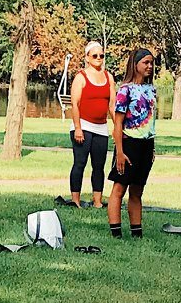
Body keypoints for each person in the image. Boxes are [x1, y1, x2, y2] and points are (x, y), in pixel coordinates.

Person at [107, 48, 159, 238]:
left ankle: (137, 232)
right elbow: (118, 123)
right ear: (135, 65)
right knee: (119, 188)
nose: (150, 66)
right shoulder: (125, 90)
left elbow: (151, 121)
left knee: (137, 190)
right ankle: (116, 233)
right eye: (145, 62)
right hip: (129, 144)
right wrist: (120, 152)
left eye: (151, 63)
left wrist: (152, 147)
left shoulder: (151, 90)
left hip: (146, 145)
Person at [64, 40, 113, 207]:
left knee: (99, 166)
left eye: (101, 55)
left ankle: (97, 201)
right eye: (95, 55)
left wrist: (118, 126)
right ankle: (75, 200)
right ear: (87, 57)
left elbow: (112, 106)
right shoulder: (81, 77)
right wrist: (78, 128)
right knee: (80, 163)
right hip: (83, 126)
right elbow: (75, 104)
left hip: (101, 127)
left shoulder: (108, 77)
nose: (98, 58)